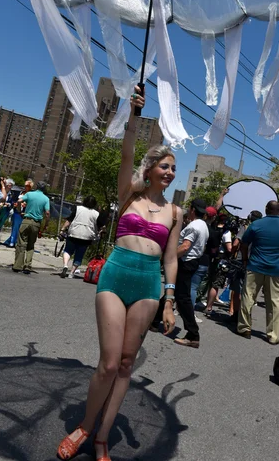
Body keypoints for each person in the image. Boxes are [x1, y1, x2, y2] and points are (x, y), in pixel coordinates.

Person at [57, 86, 181, 461]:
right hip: (116, 274)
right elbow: (127, 151)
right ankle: (84, 425)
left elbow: (171, 258)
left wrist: (170, 300)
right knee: (109, 362)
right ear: (150, 169)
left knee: (127, 363)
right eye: (165, 166)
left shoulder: (176, 212)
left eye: (174, 168)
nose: (170, 173)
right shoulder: (129, 193)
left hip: (148, 283)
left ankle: (102, 438)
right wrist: (134, 115)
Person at [151, 198, 209, 348]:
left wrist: (167, 258)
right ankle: (154, 321)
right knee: (173, 293)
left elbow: (184, 247)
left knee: (182, 298)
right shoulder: (203, 225)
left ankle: (193, 334)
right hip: (193, 261)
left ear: (192, 209)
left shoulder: (194, 226)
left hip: (186, 262)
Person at [237, 200, 279, 344]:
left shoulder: (256, 225)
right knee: (275, 303)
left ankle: (245, 328)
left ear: (266, 209)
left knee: (248, 297)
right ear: (278, 212)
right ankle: (273, 335)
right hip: (276, 269)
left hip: (255, 266)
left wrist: (245, 260)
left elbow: (244, 244)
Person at [228, 211, 263, 323]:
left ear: (249, 217)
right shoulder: (261, 230)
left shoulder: (246, 227)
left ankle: (236, 315)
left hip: (240, 261)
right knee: (249, 292)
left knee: (237, 289)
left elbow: (235, 243)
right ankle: (246, 315)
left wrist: (231, 254)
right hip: (254, 263)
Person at [59, 195, 105, 278]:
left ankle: (65, 265)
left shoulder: (77, 208)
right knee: (79, 254)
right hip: (86, 237)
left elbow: (69, 221)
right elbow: (102, 226)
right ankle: (72, 273)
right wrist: (100, 231)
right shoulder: (96, 214)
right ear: (94, 204)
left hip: (73, 233)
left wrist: (62, 229)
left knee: (68, 251)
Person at [12, 181, 50, 274]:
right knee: (31, 245)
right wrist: (46, 224)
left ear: (36, 187)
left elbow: (19, 201)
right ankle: (27, 265)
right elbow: (47, 213)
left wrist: (19, 211)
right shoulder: (46, 199)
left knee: (21, 243)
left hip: (26, 220)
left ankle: (18, 265)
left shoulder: (29, 194)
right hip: (36, 223)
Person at [203, 212, 233, 318]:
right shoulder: (226, 232)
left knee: (209, 281)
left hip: (210, 257)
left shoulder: (212, 227)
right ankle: (209, 307)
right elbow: (229, 248)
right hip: (221, 260)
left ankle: (203, 302)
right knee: (215, 284)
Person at [4, 179, 33, 247]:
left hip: (25, 213)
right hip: (17, 212)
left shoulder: (31, 194)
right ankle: (11, 241)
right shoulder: (21, 193)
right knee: (15, 227)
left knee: (21, 229)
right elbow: (15, 200)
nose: (26, 187)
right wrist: (15, 204)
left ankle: (14, 241)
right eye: (25, 185)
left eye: (27, 186)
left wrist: (26, 205)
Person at [0, 178, 15, 245]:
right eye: (9, 185)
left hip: (5, 211)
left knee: (0, 225)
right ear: (6, 185)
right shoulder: (0, 190)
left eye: (11, 185)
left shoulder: (11, 194)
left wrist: (9, 204)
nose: (10, 187)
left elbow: (12, 202)